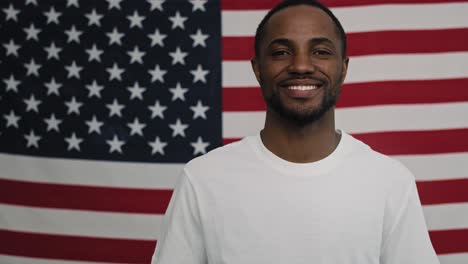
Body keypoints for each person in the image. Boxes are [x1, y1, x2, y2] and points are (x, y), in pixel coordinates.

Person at [152, 0, 440, 263]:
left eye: (321, 52)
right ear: (257, 69)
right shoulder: (202, 180)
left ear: (343, 68)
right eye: (281, 52)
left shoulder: (390, 182)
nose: (301, 65)